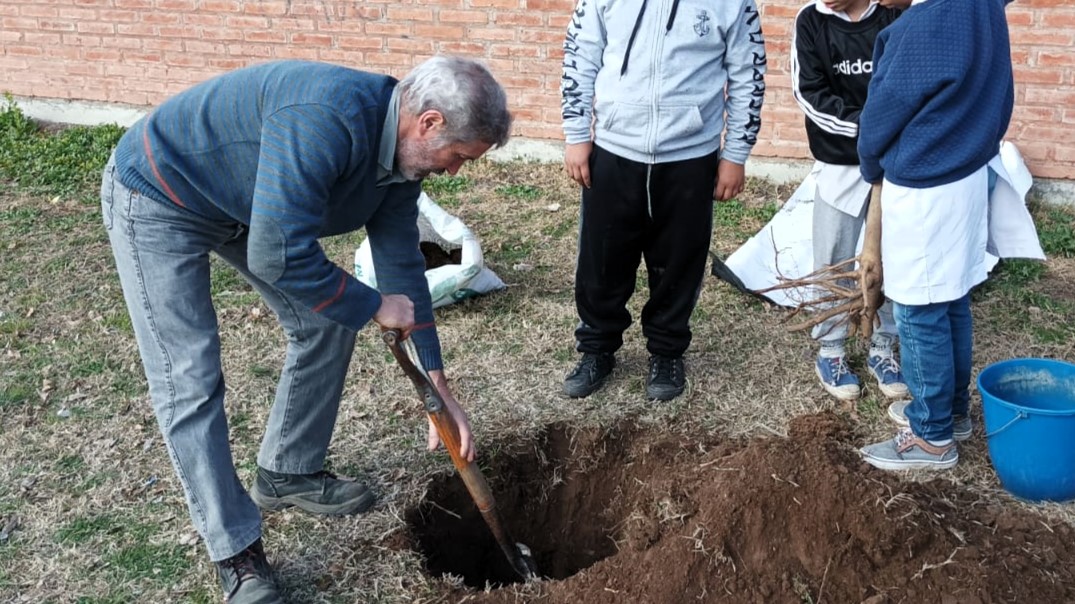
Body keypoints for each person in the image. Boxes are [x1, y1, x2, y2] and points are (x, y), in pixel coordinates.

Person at [100, 56, 512, 603]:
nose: (454, 170)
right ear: (429, 122)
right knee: (189, 377)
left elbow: (400, 261)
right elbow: (277, 254)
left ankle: (287, 472)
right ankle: (238, 557)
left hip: (245, 201)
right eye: (457, 156)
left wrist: (437, 380)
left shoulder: (401, 159)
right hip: (162, 193)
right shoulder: (326, 119)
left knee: (325, 316)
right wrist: (371, 305)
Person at [560, 0, 767, 401]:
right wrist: (576, 134)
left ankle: (667, 352)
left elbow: (749, 73)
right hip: (614, 149)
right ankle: (596, 350)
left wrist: (736, 154)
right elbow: (580, 54)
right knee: (601, 260)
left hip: (692, 155)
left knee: (679, 262)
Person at [856, 0, 1014, 470]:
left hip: (926, 181)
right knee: (951, 298)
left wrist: (870, 165)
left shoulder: (924, 23)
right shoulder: (983, 6)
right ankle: (953, 412)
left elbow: (881, 116)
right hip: (967, 172)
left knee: (919, 308)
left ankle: (930, 437)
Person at [790, 0, 908, 402]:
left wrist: (888, 133)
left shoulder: (894, 12)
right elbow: (810, 94)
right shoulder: (810, 21)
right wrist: (870, 128)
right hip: (840, 161)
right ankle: (832, 349)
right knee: (834, 255)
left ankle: (883, 346)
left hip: (894, 160)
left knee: (893, 256)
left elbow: (907, 83)